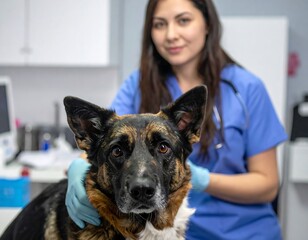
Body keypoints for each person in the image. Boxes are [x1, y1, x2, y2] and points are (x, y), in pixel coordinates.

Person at [66, 0, 288, 239]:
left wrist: (202, 180)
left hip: (244, 232)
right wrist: (77, 168)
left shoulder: (246, 89)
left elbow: (268, 185)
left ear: (207, 24)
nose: (171, 35)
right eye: (160, 24)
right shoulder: (139, 84)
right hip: (163, 231)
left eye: (183, 20)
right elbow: (108, 140)